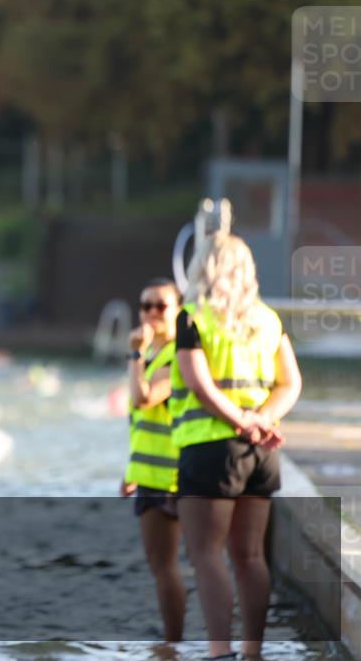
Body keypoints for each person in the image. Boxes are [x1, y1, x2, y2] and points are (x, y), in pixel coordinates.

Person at [170, 233, 302, 660]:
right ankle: (253, 652)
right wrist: (261, 420)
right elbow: (290, 382)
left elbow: (198, 383)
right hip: (262, 454)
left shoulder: (192, 317)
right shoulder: (267, 319)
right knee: (249, 556)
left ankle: (219, 652)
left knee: (206, 554)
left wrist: (241, 421)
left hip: (211, 449)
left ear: (201, 267)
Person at [120, 278, 185, 643]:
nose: (152, 313)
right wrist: (128, 470)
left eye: (161, 305)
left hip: (170, 477)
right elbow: (140, 423)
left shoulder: (176, 355)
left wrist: (134, 354)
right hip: (149, 473)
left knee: (165, 566)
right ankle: (174, 641)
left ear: (178, 308)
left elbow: (144, 399)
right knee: (163, 565)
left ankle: (173, 644)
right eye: (146, 306)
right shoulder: (155, 355)